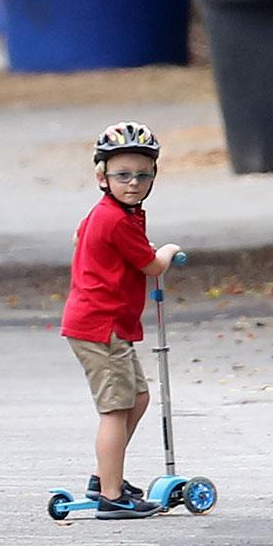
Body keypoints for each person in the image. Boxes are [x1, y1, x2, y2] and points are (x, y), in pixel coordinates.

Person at [60, 122, 180, 520]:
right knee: (114, 409)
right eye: (123, 175)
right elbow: (151, 265)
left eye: (143, 175)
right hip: (101, 326)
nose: (133, 183)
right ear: (102, 176)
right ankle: (111, 496)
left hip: (103, 324)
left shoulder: (106, 215)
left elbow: (81, 241)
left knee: (137, 398)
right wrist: (168, 249)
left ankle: (104, 476)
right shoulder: (116, 220)